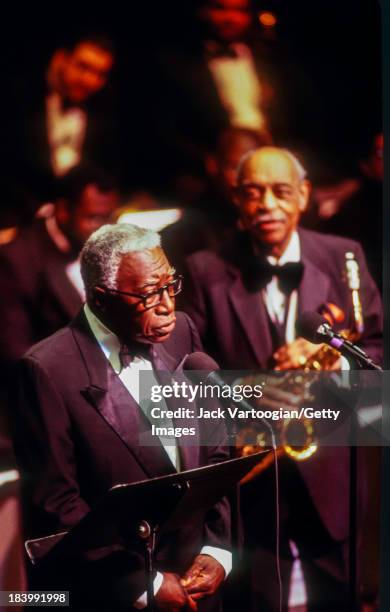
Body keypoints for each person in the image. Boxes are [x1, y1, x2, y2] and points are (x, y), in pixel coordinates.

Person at [181, 146, 382, 610]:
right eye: (253, 193)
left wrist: (337, 359)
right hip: (251, 485)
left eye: (280, 191)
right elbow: (185, 372)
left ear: (305, 195)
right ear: (236, 199)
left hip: (333, 474)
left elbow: (376, 345)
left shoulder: (344, 256)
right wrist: (246, 386)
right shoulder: (203, 269)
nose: (267, 204)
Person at [13, 223, 230, 611]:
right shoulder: (46, 370)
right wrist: (143, 583)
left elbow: (214, 451)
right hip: (108, 595)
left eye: (170, 285)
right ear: (100, 299)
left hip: (196, 584)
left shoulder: (183, 333)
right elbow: (57, 504)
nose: (168, 305)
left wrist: (217, 550)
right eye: (150, 293)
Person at [3, 33, 118, 206]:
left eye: (100, 74)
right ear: (60, 58)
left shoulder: (103, 109)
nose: (90, 81)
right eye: (83, 67)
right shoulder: (15, 95)